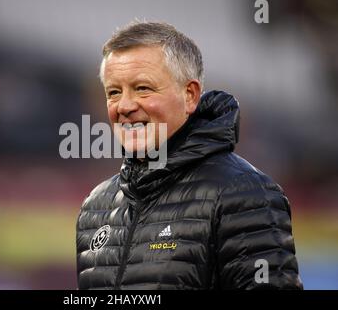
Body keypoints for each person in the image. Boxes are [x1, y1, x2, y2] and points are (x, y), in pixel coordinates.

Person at [76, 21, 303, 290]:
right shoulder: (95, 207)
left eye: (143, 88)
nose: (124, 106)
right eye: (114, 92)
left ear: (190, 95)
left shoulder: (244, 194)